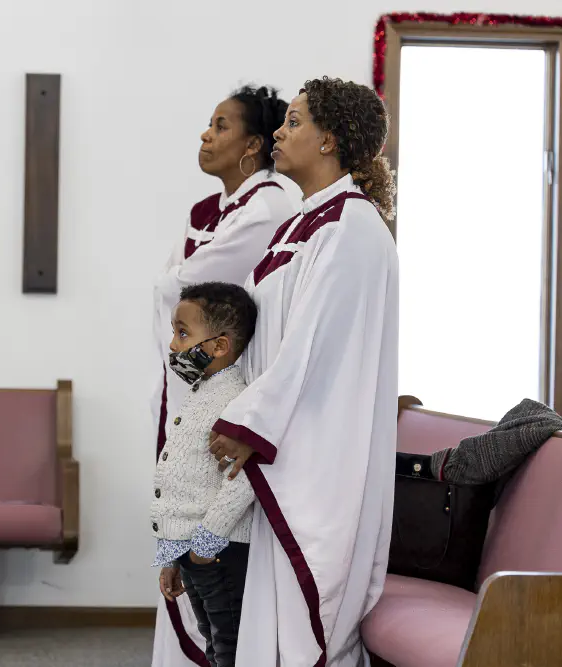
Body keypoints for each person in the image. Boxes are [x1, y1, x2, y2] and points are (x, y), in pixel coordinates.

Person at [207, 77, 399, 667]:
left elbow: (311, 347)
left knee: (304, 623)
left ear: (329, 141)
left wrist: (247, 422)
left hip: (318, 453)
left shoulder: (351, 227)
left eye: (293, 122)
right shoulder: (302, 222)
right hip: (285, 444)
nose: (279, 133)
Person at [150, 85, 297, 667]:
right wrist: (175, 551)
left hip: (215, 540)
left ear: (253, 144)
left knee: (228, 636)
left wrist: (203, 545)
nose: (206, 135)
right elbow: (179, 292)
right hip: (188, 394)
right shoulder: (211, 211)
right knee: (212, 631)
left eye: (220, 125)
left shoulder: (268, 206)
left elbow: (180, 287)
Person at [152, 282, 258, 667]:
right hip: (194, 549)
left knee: (228, 645)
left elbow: (244, 477)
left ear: (219, 345)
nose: (173, 344)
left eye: (183, 333)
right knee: (212, 641)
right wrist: (173, 556)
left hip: (218, 550)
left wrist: (206, 542)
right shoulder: (202, 392)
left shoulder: (235, 400)